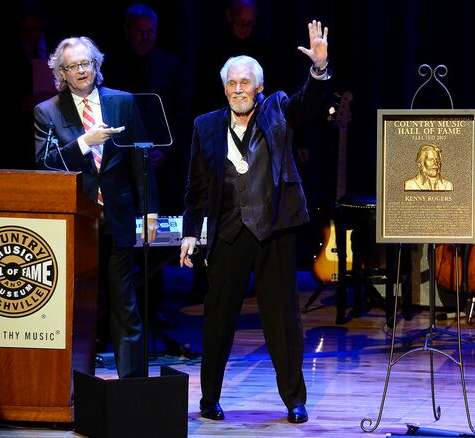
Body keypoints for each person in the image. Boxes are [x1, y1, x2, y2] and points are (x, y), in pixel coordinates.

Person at [179, 20, 331, 424]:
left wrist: (318, 69)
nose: (239, 89)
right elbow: (194, 185)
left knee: (282, 319)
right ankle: (209, 398)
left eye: (246, 82)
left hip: (274, 230)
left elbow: (309, 102)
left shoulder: (278, 108)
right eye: (232, 83)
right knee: (218, 319)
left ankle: (293, 400)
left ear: (258, 87)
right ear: (224, 88)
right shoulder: (205, 126)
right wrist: (190, 232)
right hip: (228, 232)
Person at [33, 36, 159, 378]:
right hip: (77, 220)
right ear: (61, 72)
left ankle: (133, 386)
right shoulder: (47, 111)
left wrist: (149, 209)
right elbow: (46, 164)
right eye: (72, 67)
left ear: (96, 65)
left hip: (118, 214)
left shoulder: (123, 102)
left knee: (126, 304)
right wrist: (85, 143)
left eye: (86, 64)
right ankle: (72, 385)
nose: (81, 71)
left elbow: (141, 158)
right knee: (77, 306)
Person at [104, 4, 191, 331]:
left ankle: (154, 308)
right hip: (120, 169)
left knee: (157, 239)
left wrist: (166, 153)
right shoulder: (110, 66)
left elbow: (182, 115)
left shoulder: (169, 65)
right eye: (141, 31)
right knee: (122, 240)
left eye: (152, 32)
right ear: (126, 30)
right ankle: (116, 313)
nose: (146, 37)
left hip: (160, 168)